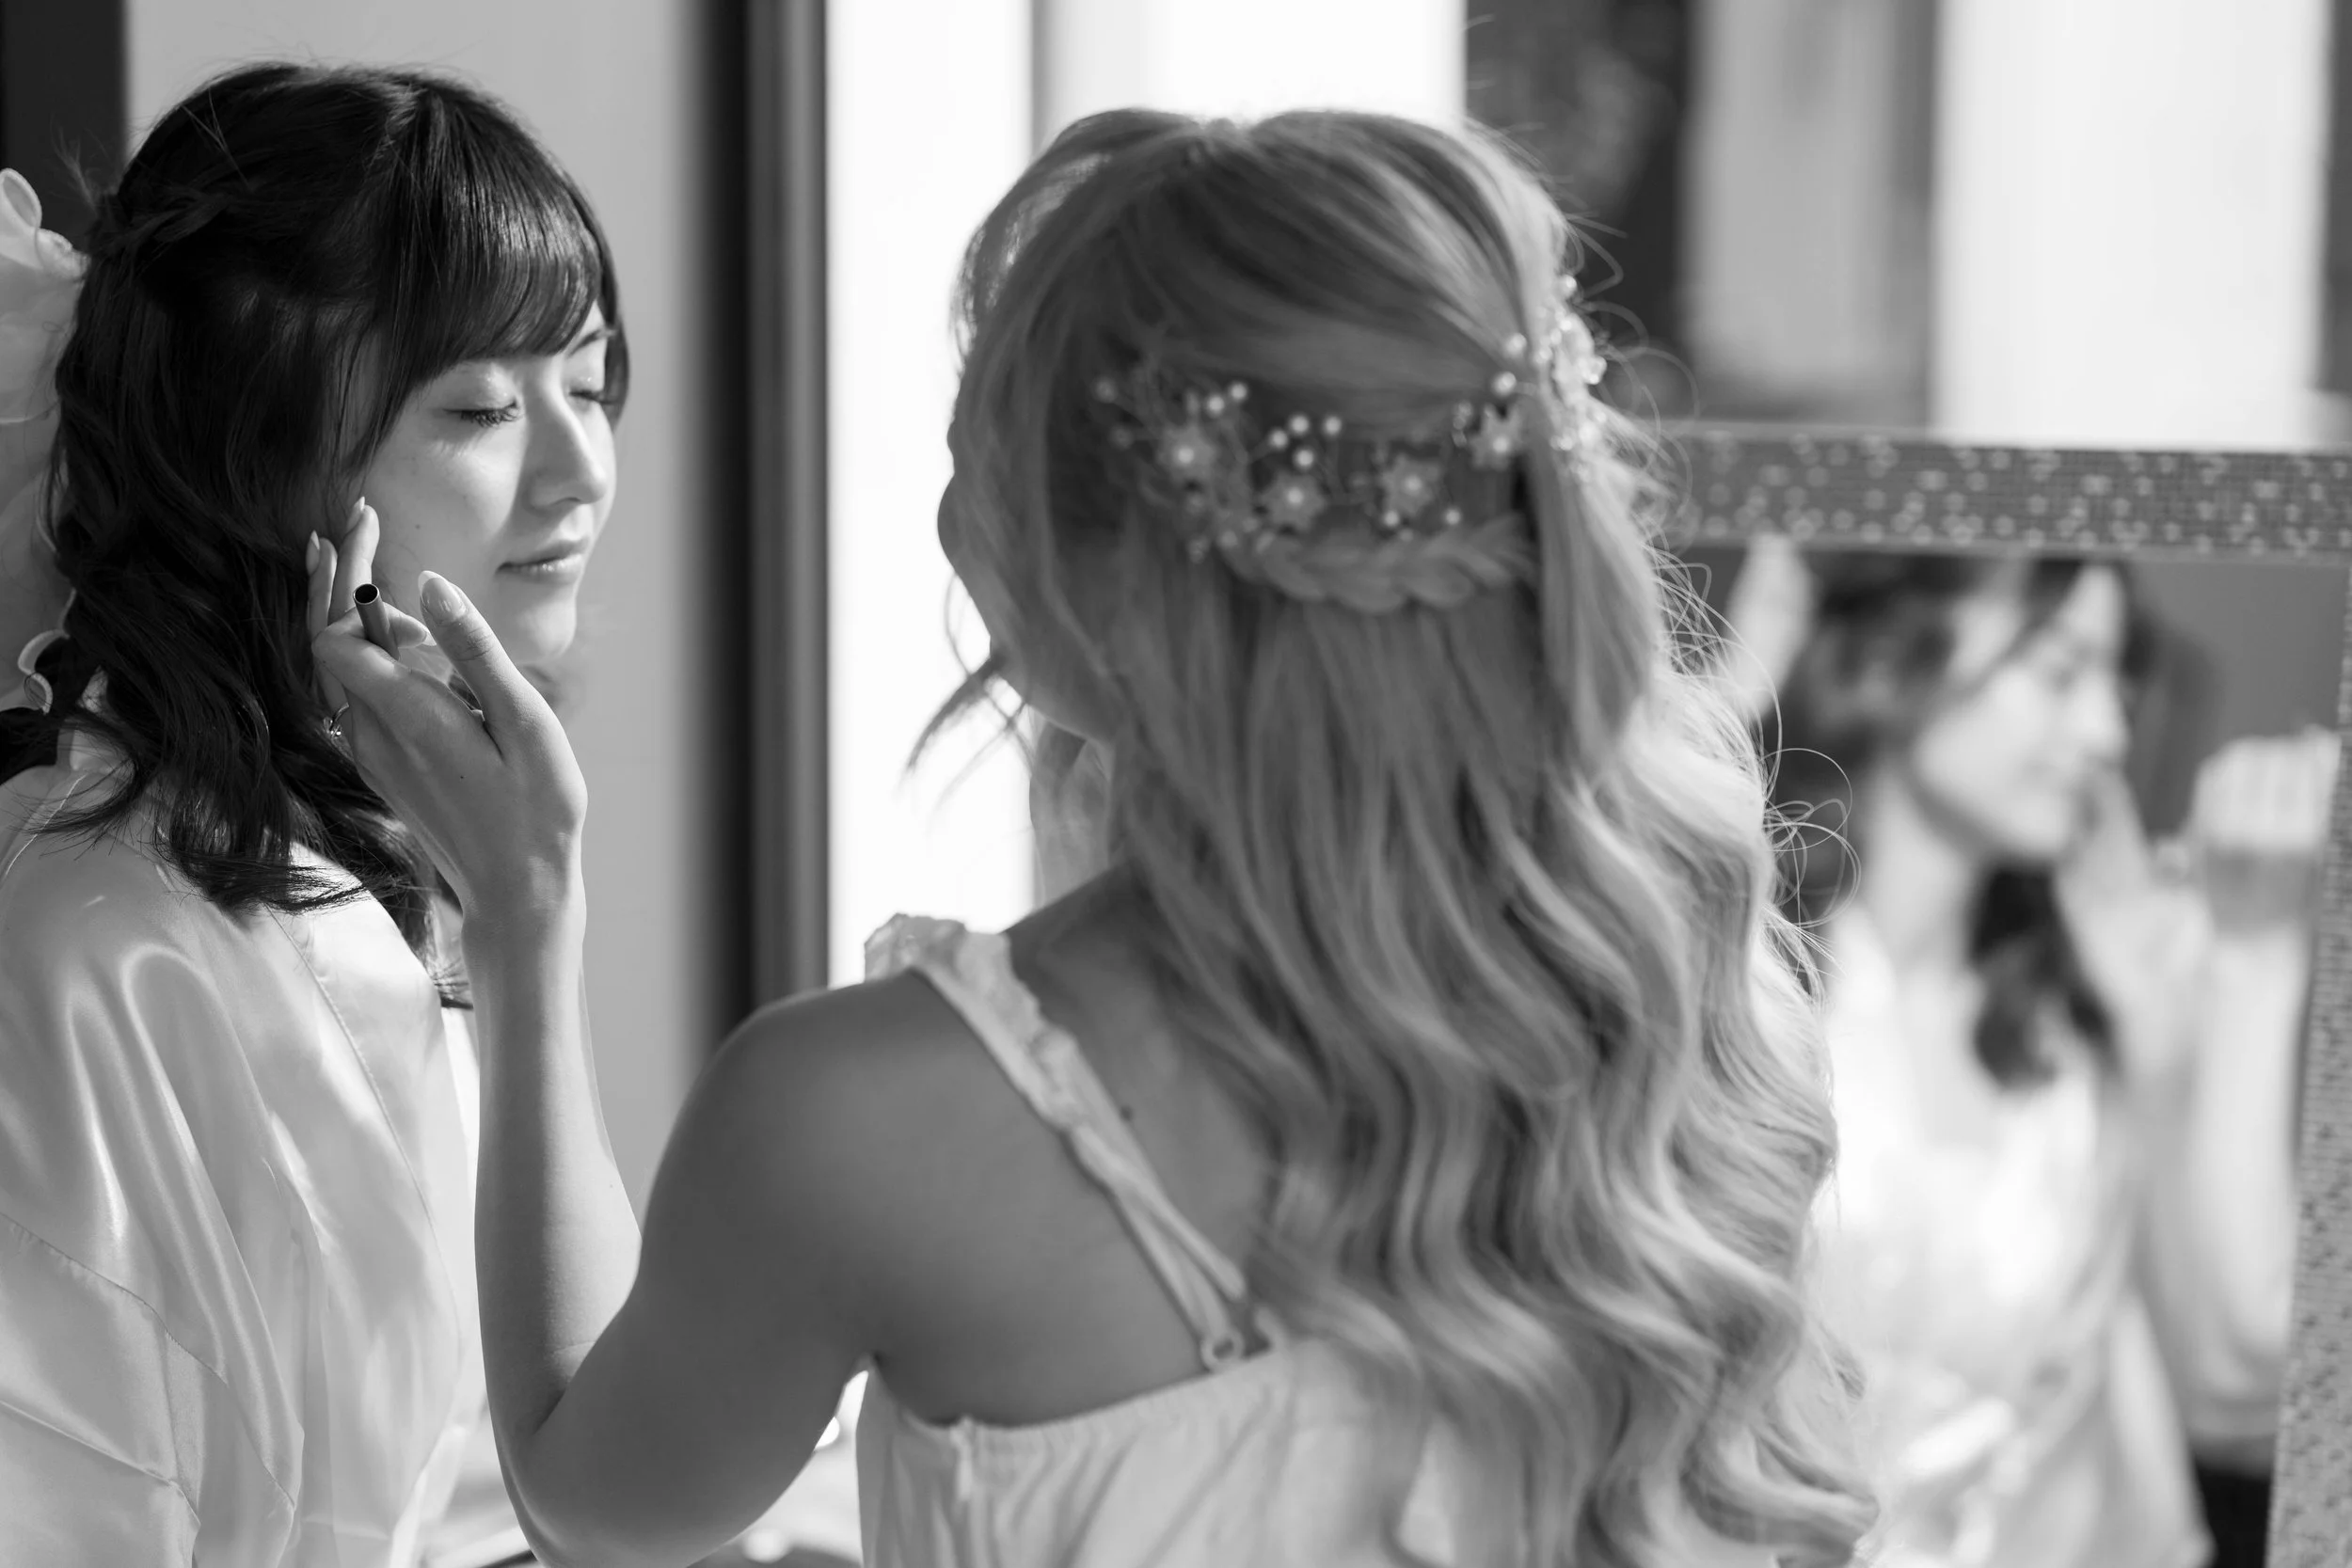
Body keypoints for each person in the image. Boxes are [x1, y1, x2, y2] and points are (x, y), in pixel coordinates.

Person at [318, 109, 1879, 1568]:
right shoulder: (1696, 1009)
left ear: (1103, 571)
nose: (947, 511)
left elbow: (596, 1492)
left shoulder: (867, 1117)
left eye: (984, 440)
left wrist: (525, 926)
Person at [0, 60, 623, 1566]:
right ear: (261, 460)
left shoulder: (369, 849)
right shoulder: (102, 942)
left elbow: (578, 1454)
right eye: (480, 406)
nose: (580, 468)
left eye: (592, 382)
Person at [1734, 546, 2319, 1568]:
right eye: (2056, 672)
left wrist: (2234, 969)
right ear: (1885, 660)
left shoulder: (2078, 1028)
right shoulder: (1736, 983)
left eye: (2115, 680)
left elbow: (2242, 1377)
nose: (2107, 730)